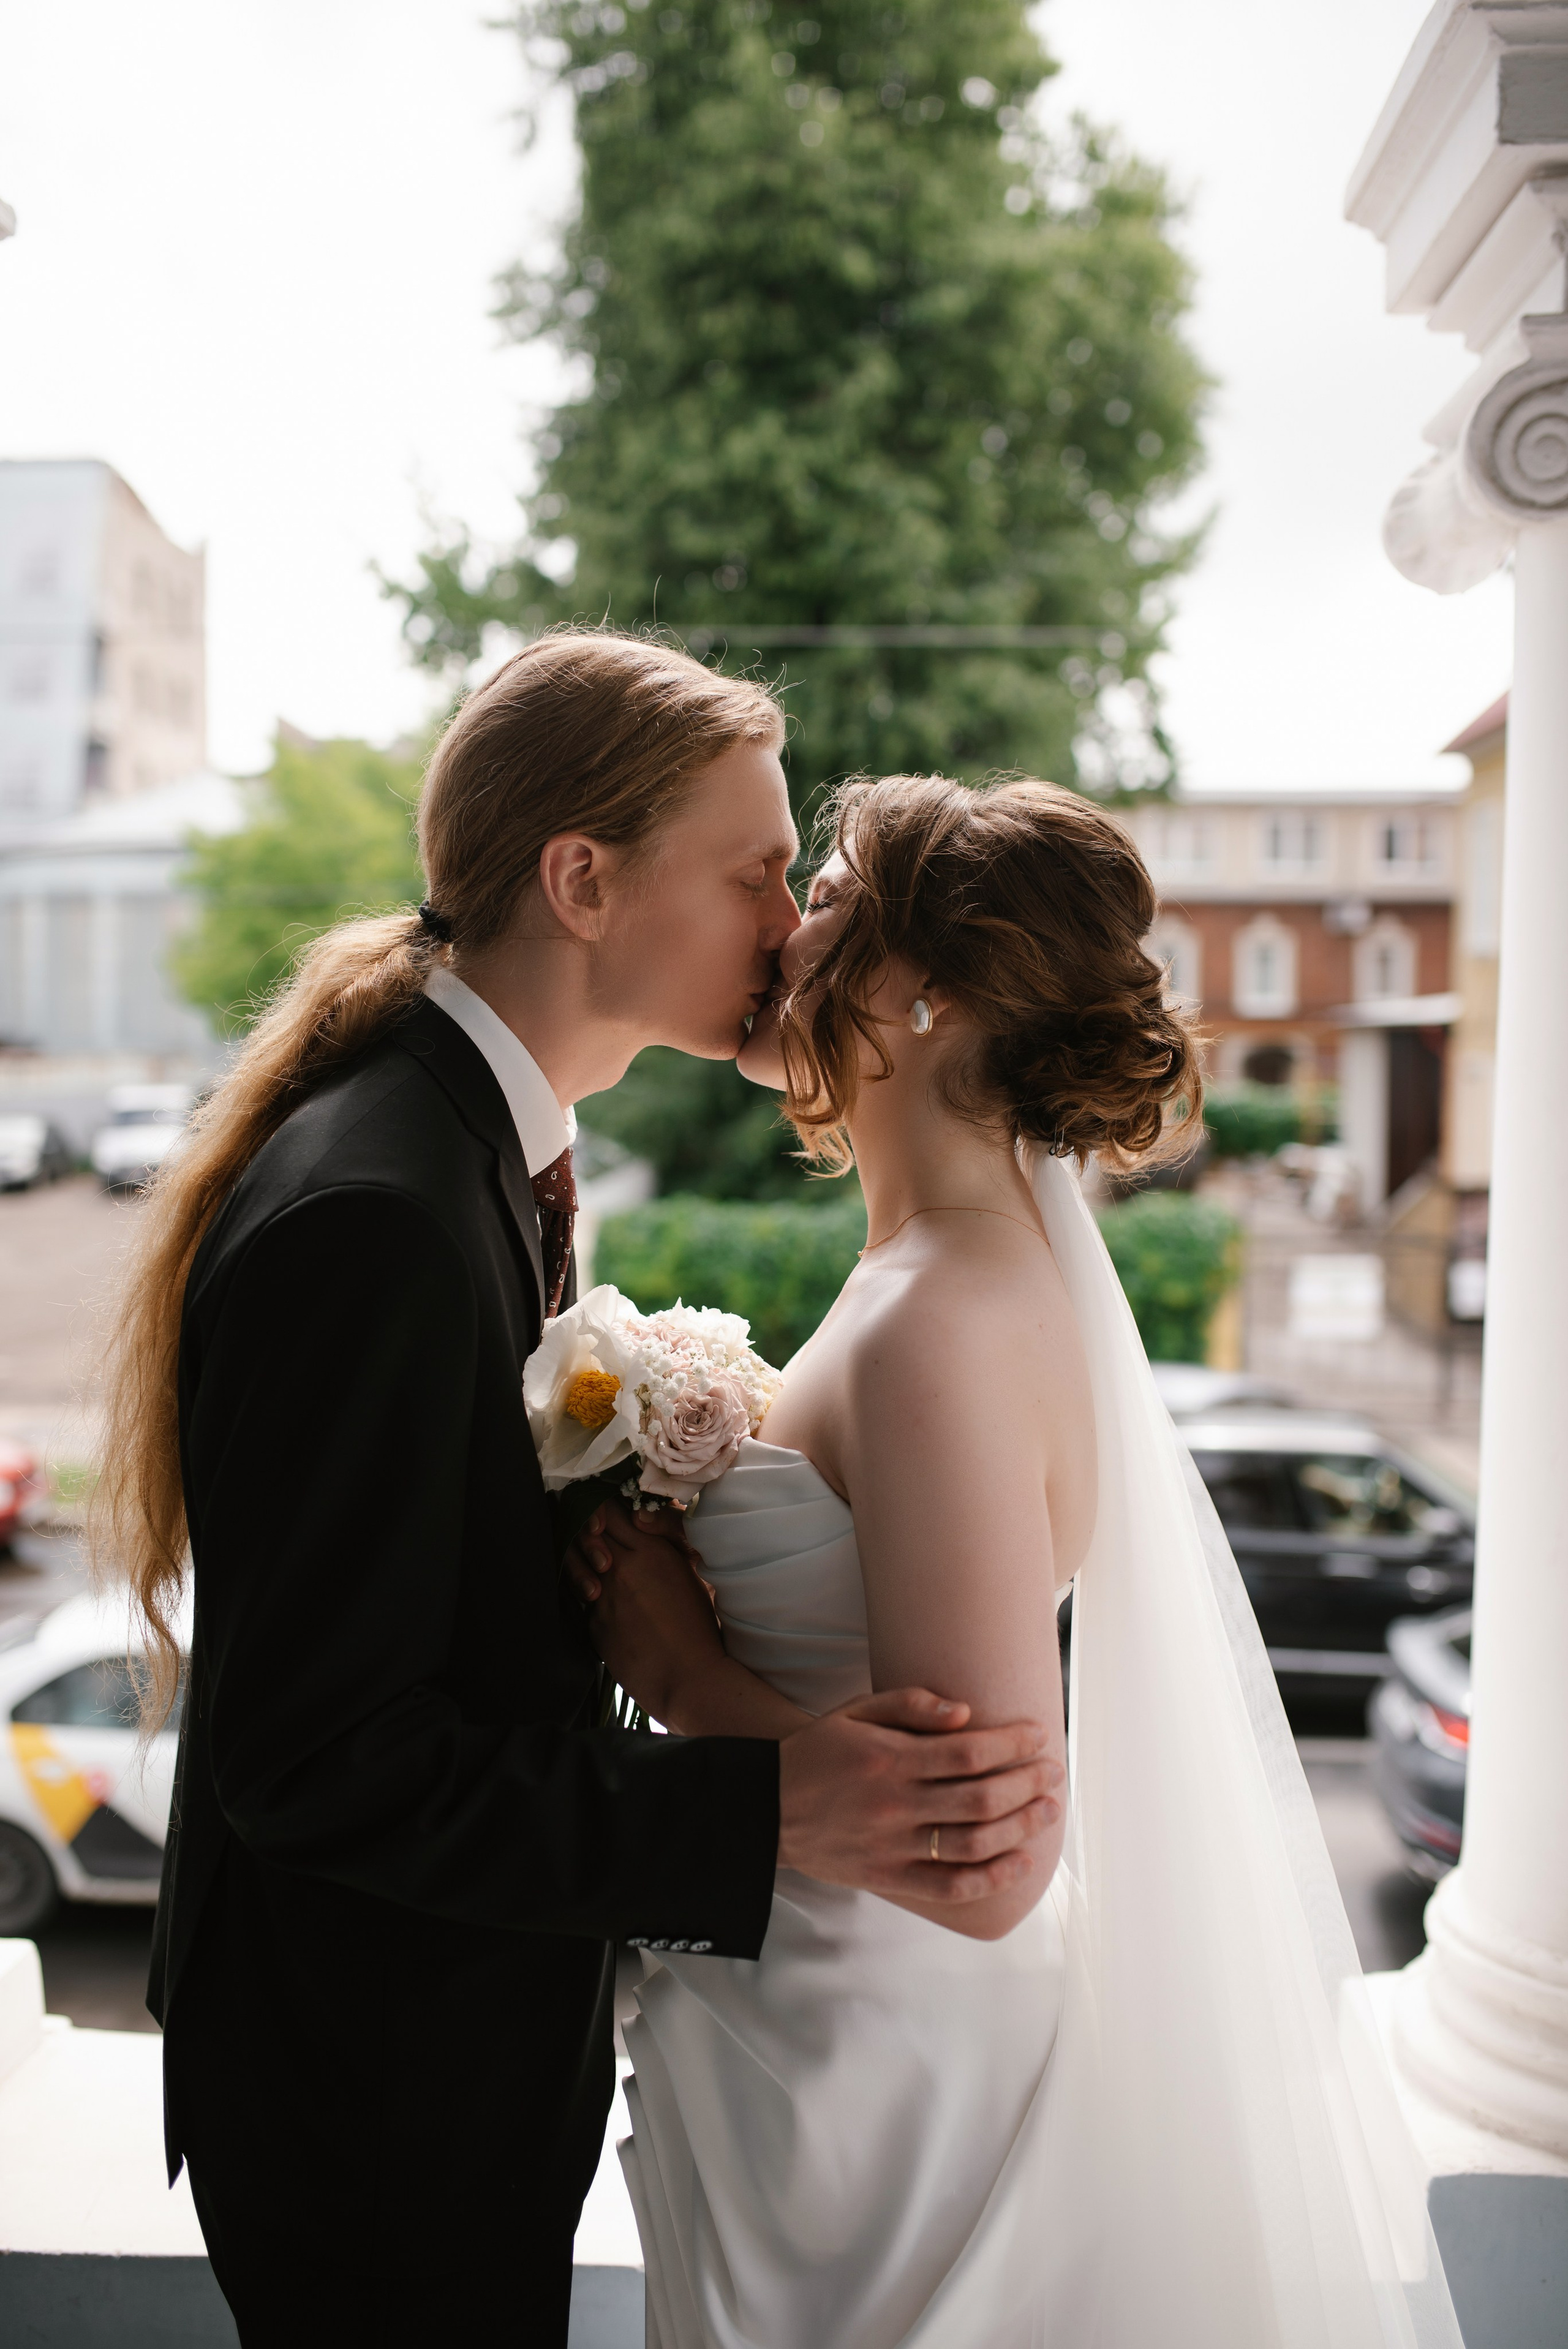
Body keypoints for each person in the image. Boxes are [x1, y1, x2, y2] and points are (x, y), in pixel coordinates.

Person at [91, 636, 1064, 2347]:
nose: (790, 923)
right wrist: (766, 1808)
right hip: (376, 2097)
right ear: (585, 880)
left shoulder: (463, 1150)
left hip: (446, 2048)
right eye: (758, 871)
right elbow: (321, 1760)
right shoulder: (379, 1212)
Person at [574, 775, 1465, 2349]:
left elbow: (982, 1871)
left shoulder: (943, 1317)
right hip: (815, 2026)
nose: (785, 930)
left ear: (935, 989)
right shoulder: (925, 1275)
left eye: (829, 893)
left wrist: (689, 1678)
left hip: (883, 2078)